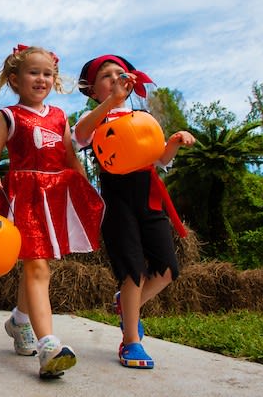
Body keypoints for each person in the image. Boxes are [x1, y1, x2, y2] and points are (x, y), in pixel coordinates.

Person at [0, 44, 105, 378]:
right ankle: (48, 344)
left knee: (38, 264)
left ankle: (19, 322)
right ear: (15, 79)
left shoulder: (60, 116)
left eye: (47, 73)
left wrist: (83, 188)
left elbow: (69, 157)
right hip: (24, 199)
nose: (42, 79)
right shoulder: (8, 116)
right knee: (37, 267)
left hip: (55, 198)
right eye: (34, 72)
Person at [73, 54, 195, 369]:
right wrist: (109, 104)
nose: (115, 78)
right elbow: (78, 137)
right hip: (118, 201)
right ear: (92, 90)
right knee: (132, 271)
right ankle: (131, 341)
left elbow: (160, 159)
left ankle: (127, 306)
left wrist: (175, 142)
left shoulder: (141, 115)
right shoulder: (97, 120)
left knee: (168, 269)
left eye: (120, 73)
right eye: (106, 76)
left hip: (150, 197)